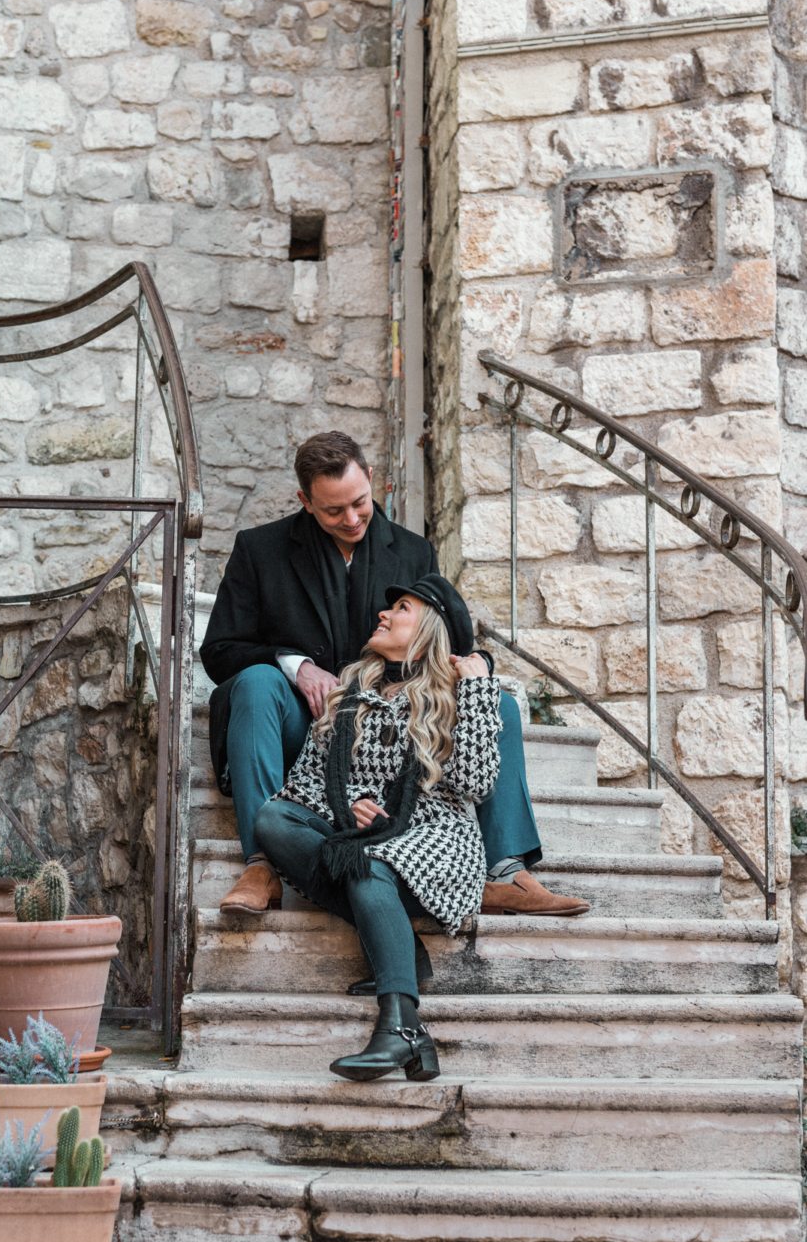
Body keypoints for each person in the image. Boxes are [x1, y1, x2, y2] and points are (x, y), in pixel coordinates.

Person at [200, 429, 588, 932]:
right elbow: (219, 651)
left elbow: (447, 636)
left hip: (389, 728)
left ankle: (508, 871)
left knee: (501, 707)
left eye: (360, 503)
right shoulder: (259, 550)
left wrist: (476, 670)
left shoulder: (413, 551)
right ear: (305, 502)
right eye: (334, 510)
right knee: (253, 684)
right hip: (305, 724)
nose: (353, 519)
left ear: (373, 483)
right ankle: (260, 865)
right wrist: (294, 666)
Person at [254, 576, 496, 1081]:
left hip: (435, 840)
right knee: (273, 819)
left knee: (368, 860)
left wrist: (475, 686)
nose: (383, 614)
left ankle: (401, 1028)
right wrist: (348, 806)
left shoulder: (456, 693)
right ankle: (405, 954)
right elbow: (303, 783)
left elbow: (475, 783)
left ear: (429, 630)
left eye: (401, 608)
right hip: (361, 840)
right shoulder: (350, 690)